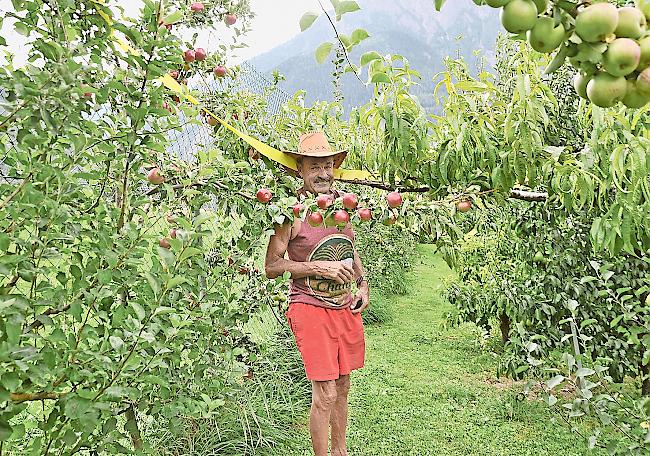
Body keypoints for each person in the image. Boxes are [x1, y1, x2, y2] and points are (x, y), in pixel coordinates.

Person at [265, 131, 369, 456]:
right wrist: (319, 268)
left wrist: (362, 282)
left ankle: (341, 451)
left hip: (342, 307)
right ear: (300, 170)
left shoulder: (342, 205)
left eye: (327, 165)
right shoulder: (291, 213)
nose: (322, 174)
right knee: (324, 393)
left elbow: (349, 246)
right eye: (314, 167)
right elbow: (271, 265)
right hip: (309, 307)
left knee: (342, 386)